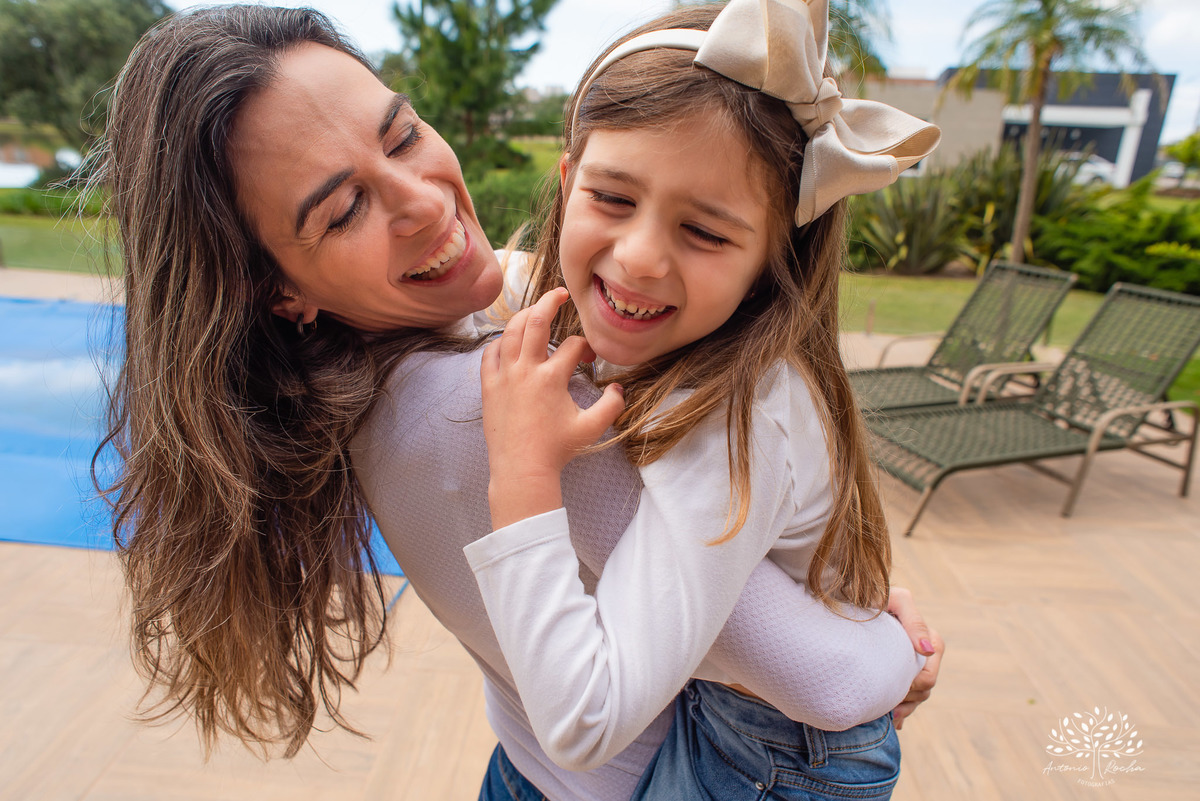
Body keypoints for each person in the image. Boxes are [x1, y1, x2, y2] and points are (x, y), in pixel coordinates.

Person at [90, 5, 943, 800]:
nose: (425, 201)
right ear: (277, 288)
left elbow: (530, 274)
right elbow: (819, 675)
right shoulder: (482, 410)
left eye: (403, 136)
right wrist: (888, 644)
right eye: (345, 209)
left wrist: (830, 573)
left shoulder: (390, 354)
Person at [470, 1, 942, 797]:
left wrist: (522, 473)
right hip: (715, 696)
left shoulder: (738, 416)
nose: (639, 258)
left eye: (707, 233)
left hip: (773, 753)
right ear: (569, 181)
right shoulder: (613, 303)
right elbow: (501, 274)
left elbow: (584, 718)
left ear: (771, 260)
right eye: (613, 198)